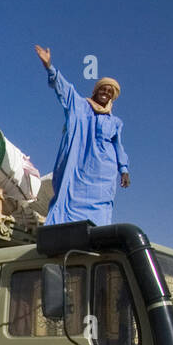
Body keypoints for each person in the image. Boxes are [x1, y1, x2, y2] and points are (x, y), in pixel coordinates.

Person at [34, 45, 130, 226]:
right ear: (96, 90)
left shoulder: (115, 122)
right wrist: (49, 67)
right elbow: (64, 88)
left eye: (110, 92)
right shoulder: (80, 106)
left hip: (104, 175)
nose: (105, 93)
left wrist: (123, 170)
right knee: (68, 200)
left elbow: (118, 146)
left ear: (112, 97)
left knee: (100, 212)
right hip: (79, 168)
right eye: (103, 89)